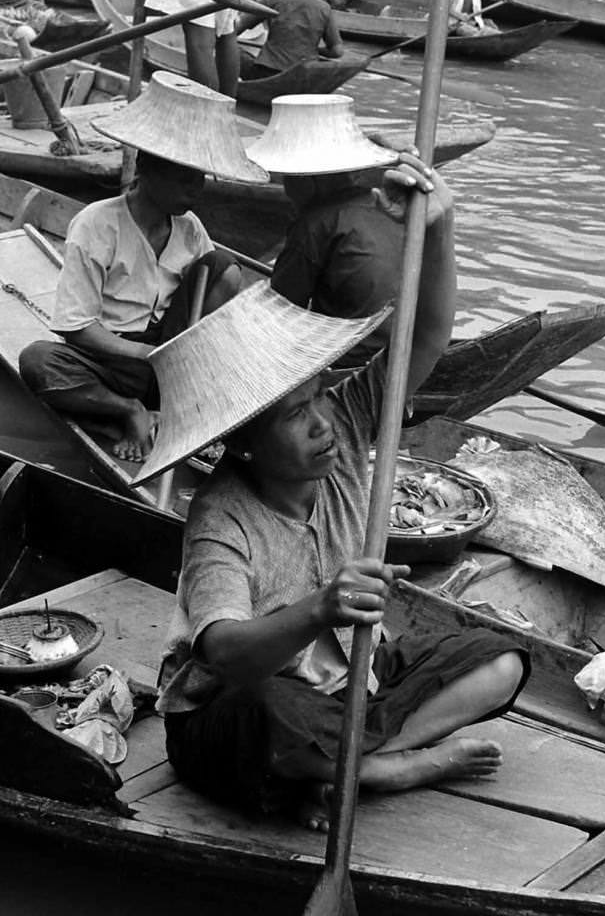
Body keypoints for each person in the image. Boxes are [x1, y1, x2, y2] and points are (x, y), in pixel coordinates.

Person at [155, 140, 529, 829]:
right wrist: (320, 610)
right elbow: (223, 651)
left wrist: (440, 227)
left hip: (349, 686)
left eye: (321, 398)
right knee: (266, 714)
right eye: (298, 416)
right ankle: (383, 764)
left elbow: (425, 338)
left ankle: (350, 763)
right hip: (241, 711)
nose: (324, 423)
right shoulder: (223, 513)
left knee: (501, 660)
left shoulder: (350, 425)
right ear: (244, 442)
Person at [19, 73, 262, 462]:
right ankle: (127, 410)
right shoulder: (96, 223)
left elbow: (208, 298)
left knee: (224, 267)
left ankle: (173, 405)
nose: (196, 190)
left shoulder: (189, 227)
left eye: (199, 178)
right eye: (185, 179)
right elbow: (77, 327)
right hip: (111, 358)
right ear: (148, 171)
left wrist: (185, 359)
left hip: (170, 358)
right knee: (38, 361)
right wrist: (146, 354)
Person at [264, 94, 411, 367]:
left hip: (347, 362)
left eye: (288, 179)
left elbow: (279, 313)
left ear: (308, 180)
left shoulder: (315, 224)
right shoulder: (385, 204)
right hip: (402, 351)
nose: (285, 189)